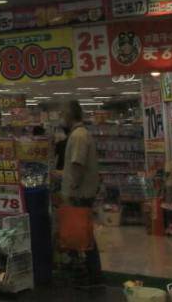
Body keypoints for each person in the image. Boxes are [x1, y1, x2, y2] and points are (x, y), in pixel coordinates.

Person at [60, 100, 102, 285]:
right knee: (84, 234)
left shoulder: (77, 136)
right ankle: (90, 273)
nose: (61, 118)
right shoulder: (82, 134)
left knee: (81, 235)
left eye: (62, 114)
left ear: (69, 115)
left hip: (80, 194)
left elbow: (77, 164)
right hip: (83, 192)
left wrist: (72, 188)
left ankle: (92, 274)